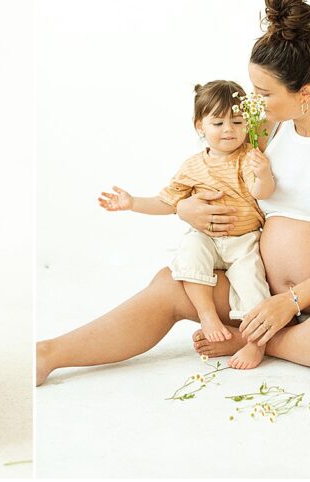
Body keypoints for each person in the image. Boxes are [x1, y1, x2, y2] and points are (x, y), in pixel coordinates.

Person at [36, 0, 310, 385]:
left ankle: (255, 338)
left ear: (304, 93)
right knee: (169, 286)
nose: (251, 103)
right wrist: (185, 207)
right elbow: (213, 170)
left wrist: (289, 303)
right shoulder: (264, 127)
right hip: (259, 291)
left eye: (264, 93)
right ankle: (48, 354)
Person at [97, 80, 274, 369]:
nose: (228, 129)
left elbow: (260, 192)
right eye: (217, 122)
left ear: (247, 124)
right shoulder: (192, 166)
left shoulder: (247, 158)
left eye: (237, 121)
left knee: (253, 284)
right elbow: (168, 202)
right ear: (199, 126)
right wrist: (132, 203)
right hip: (207, 238)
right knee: (190, 249)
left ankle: (255, 345)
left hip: (244, 241)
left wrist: (263, 173)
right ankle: (207, 315)